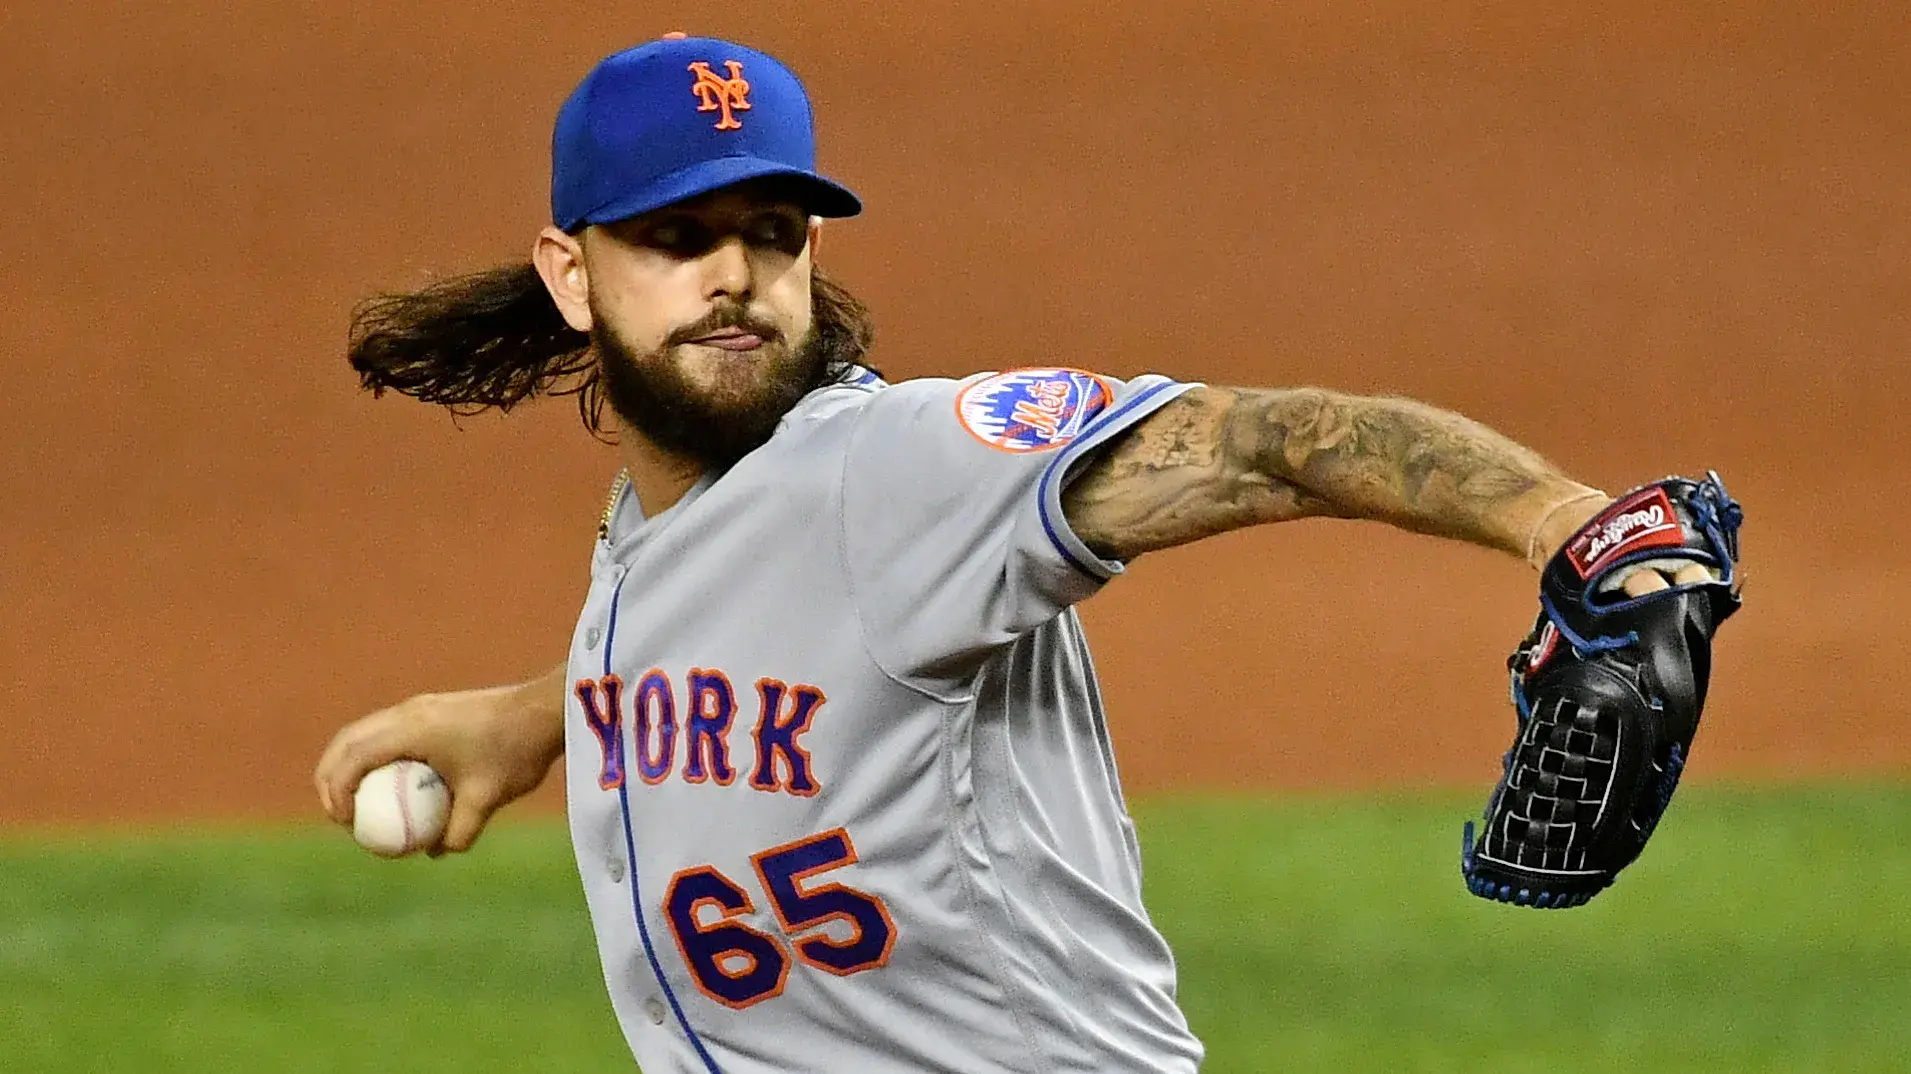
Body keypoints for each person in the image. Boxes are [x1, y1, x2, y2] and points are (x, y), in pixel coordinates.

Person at [313, 33, 1712, 1073]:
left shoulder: (900, 469)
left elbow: (1258, 441)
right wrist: (543, 713)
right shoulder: (674, 524)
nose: (732, 274)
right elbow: (767, 627)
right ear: (571, 276)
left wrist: (1573, 522)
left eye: (769, 233)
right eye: (676, 239)